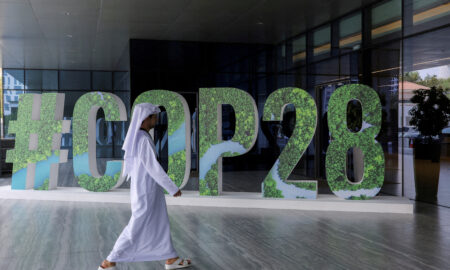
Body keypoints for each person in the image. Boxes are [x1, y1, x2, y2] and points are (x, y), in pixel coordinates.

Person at [98, 103, 192, 270]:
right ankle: (110, 261)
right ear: (145, 118)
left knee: (159, 222)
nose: (156, 119)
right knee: (136, 225)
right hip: (146, 191)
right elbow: (153, 167)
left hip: (148, 189)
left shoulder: (141, 137)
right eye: (154, 116)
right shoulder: (143, 139)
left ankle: (171, 258)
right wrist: (172, 188)